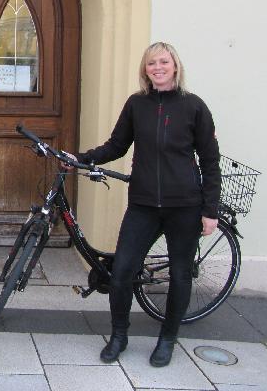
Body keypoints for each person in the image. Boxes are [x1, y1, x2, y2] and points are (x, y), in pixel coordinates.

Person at [68, 42, 220, 367]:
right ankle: (119, 335)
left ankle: (167, 338)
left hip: (185, 206)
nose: (158, 67)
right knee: (122, 270)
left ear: (175, 66)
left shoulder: (194, 107)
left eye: (164, 62)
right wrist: (82, 159)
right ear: (145, 69)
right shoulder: (137, 104)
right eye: (152, 63)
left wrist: (211, 210)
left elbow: (210, 160)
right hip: (143, 204)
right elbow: (117, 145)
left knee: (180, 274)